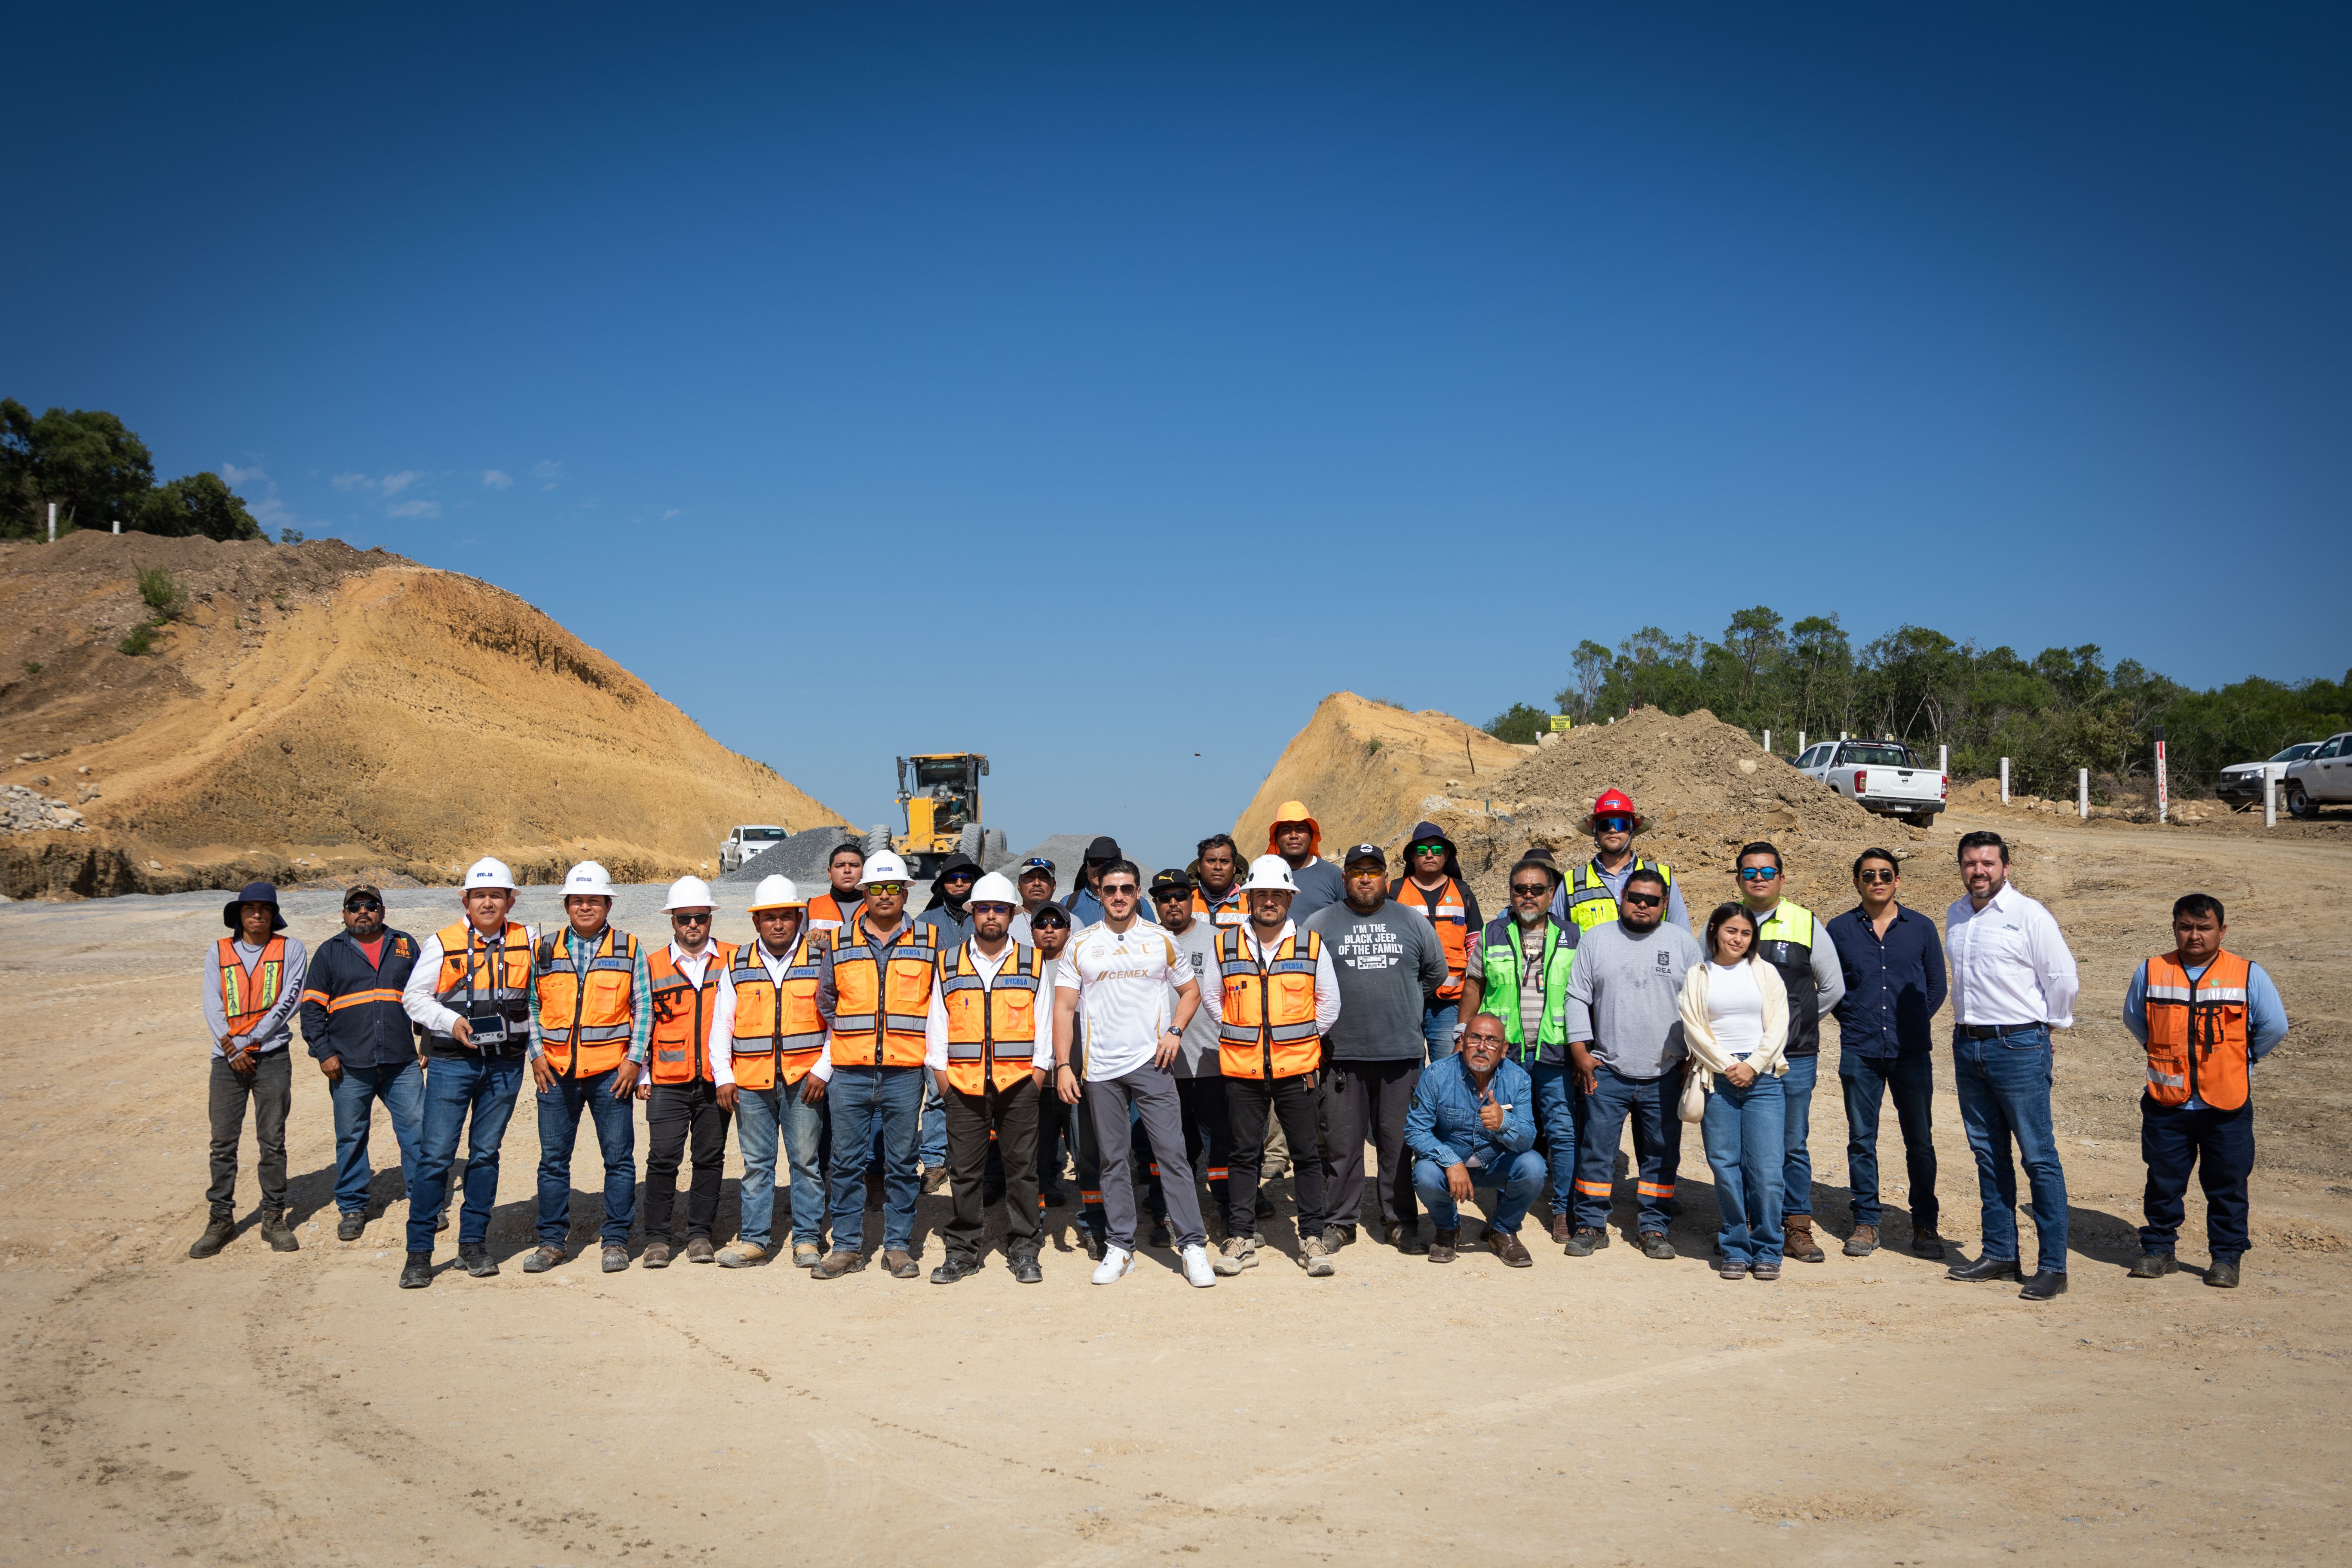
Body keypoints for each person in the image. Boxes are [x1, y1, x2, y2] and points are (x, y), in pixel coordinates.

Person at [1053, 861, 1217, 1288]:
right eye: (1111, 890)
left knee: (1173, 1155)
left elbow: (1190, 991)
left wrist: (1175, 1032)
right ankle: (1121, 1245)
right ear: (1100, 892)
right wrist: (1064, 1065)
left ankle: (1193, 1246)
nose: (1119, 897)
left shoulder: (1160, 939)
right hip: (1100, 1069)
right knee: (1112, 1160)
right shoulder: (1081, 943)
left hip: (1153, 1063)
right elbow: (1064, 1008)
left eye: (1127, 889)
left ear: (1138, 891)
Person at [2121, 893, 2288, 1289]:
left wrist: (2243, 1060)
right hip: (2167, 1102)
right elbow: (2135, 1021)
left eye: (2204, 927)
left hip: (2226, 1102)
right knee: (2163, 1181)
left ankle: (2226, 1258)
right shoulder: (2152, 970)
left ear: (2221, 931)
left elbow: (2274, 1027)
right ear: (2175, 928)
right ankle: (2159, 1250)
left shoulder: (2247, 973)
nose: (2194, 935)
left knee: (2228, 1183)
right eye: (2186, 926)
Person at [1944, 830, 2079, 1302]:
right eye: (1969, 863)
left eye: (1987, 863)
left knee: (2038, 1157)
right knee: (1988, 1155)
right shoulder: (1957, 915)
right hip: (1969, 1044)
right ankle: (2000, 1253)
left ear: (2005, 867)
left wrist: (2047, 1031)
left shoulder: (2029, 916)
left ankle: (2052, 1267)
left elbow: (2062, 978)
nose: (1978, 871)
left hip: (2018, 1044)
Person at [400, 857, 537, 1282]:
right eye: (480, 895)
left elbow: (544, 994)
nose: (488, 902)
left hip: (505, 1064)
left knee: (485, 1155)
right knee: (436, 1156)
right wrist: (450, 1022)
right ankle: (419, 1253)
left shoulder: (529, 940)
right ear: (466, 899)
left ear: (511, 900)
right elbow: (414, 998)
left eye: (497, 895)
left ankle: (472, 1245)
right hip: (451, 1064)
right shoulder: (442, 942)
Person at [1308, 843, 1449, 1252]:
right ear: (1345, 878)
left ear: (1387, 877)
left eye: (1373, 871)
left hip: (1400, 1054)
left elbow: (1434, 971)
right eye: (1357, 871)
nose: (1365, 878)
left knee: (1398, 1145)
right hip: (1340, 1056)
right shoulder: (1320, 924)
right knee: (1342, 1146)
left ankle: (1400, 1221)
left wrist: (1403, 999)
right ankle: (1341, 1221)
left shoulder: (1411, 920)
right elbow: (1305, 979)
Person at [1211, 854, 1343, 1277]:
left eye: (1277, 894)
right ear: (1248, 898)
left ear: (1290, 897)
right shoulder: (1225, 944)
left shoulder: (1311, 944)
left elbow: (1330, 1007)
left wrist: (1295, 1041)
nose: (1269, 901)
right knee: (1244, 1154)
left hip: (1297, 1068)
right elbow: (1216, 1002)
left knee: (1305, 1154)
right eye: (1261, 894)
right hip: (1242, 1068)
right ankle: (1242, 1238)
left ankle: (1312, 1237)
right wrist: (1246, 1033)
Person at [813, 850, 942, 1280]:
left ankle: (898, 1247)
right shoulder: (840, 941)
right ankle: (847, 1248)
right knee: (845, 1164)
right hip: (850, 1072)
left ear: (906, 892)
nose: (885, 896)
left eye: (893, 888)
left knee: (902, 1165)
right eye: (876, 889)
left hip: (905, 1073)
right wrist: (856, 1035)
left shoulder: (929, 941)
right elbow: (826, 999)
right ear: (864, 893)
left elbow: (938, 1004)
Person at [1564, 867, 1703, 1260]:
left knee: (1661, 1153)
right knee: (1597, 1150)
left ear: (1664, 905)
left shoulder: (1682, 944)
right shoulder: (1597, 940)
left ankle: (1654, 1227)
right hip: (1608, 1070)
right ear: (1622, 897)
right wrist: (1580, 1050)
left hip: (1666, 1072)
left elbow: (1699, 1003)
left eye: (1652, 900)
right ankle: (1591, 1224)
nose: (1642, 905)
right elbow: (1577, 997)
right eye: (1635, 897)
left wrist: (1695, 1053)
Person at [526, 861, 652, 1274]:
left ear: (607, 904)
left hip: (609, 1075)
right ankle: (551, 1242)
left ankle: (615, 1240)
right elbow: (530, 1005)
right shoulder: (544, 948)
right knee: (553, 1161)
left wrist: (634, 1062)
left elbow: (644, 1008)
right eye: (578, 901)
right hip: (556, 1072)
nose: (585, 907)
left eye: (593, 900)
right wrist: (537, 1054)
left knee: (618, 1160)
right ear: (567, 905)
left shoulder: (629, 948)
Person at [928, 872, 1052, 1284]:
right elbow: (938, 1025)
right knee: (965, 1172)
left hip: (1019, 1085)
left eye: (1000, 909)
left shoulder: (1033, 961)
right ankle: (963, 1251)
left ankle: (1024, 1247)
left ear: (1012, 915)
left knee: (1022, 1171)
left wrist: (1037, 1075)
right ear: (973, 914)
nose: (992, 917)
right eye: (985, 909)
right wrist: (942, 1079)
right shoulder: (948, 962)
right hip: (962, 1087)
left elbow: (1045, 1024)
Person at [1825, 848, 1949, 1259]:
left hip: (1911, 1050)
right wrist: (1855, 1019)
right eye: (1868, 875)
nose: (1877, 881)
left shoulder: (1922, 928)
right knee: (1862, 1139)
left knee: (1920, 1141)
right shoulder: (1839, 930)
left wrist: (1911, 1021)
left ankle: (1925, 1225)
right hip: (1860, 1050)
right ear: (1856, 882)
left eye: (1884, 874)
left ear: (1897, 881)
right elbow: (1830, 984)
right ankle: (1866, 1222)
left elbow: (1936, 987)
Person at [1731, 842, 1846, 1265]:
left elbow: (1832, 986)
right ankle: (1747, 1224)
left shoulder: (1804, 922)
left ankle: (1796, 1226)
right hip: (1742, 1056)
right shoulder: (1730, 922)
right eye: (1749, 872)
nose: (1758, 878)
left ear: (1781, 876)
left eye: (1767, 871)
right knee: (1747, 1143)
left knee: (1791, 1144)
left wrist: (1791, 1024)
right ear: (1739, 879)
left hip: (1794, 1055)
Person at [1459, 857, 1580, 1242]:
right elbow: (1475, 985)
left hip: (1556, 1052)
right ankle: (1504, 1208)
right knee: (1499, 1129)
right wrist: (1463, 1032)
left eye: (1537, 890)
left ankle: (1563, 1210)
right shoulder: (1493, 933)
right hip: (1504, 1055)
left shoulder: (1574, 937)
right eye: (1520, 890)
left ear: (1552, 894)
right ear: (1511, 893)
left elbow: (1587, 994)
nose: (1528, 896)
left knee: (1561, 1132)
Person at [711, 875, 829, 1269]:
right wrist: (724, 1076)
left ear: (799, 918)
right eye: (768, 918)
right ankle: (755, 1241)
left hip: (803, 1081)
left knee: (805, 1163)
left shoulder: (819, 960)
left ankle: (808, 1240)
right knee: (757, 1165)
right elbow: (722, 1025)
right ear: (755, 923)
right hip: (751, 1082)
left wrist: (823, 1070)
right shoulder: (737, 963)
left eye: (785, 916)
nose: (777, 924)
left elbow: (835, 1021)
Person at [298, 885, 422, 1247]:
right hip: (349, 1063)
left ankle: (424, 1199)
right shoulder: (329, 953)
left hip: (401, 1061)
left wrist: (426, 1040)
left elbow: (424, 994)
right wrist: (323, 1052)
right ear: (344, 913)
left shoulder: (404, 944)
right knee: (351, 1136)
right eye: (355, 907)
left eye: (371, 906)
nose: (363, 912)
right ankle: (353, 1207)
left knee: (417, 1131)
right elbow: (311, 1010)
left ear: (383, 911)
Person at [191, 881, 309, 1259]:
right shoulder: (219, 951)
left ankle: (274, 1216)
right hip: (226, 1060)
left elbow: (289, 1001)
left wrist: (249, 1042)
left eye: (264, 908)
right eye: (249, 908)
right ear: (238, 915)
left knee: (271, 1140)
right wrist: (231, 1047)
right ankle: (221, 1217)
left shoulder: (292, 950)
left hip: (272, 1056)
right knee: (222, 1143)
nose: (257, 914)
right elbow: (213, 1003)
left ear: (274, 915)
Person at [1678, 904, 1791, 1280]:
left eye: (1745, 933)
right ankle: (1735, 1247)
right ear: (1714, 931)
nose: (1737, 939)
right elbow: (1693, 1027)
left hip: (1763, 1079)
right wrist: (1728, 1065)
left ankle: (1769, 1248)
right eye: (1730, 931)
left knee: (1767, 1169)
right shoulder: (1698, 975)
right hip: (1717, 1079)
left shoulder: (1766, 973)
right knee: (1725, 1168)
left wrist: (1753, 1065)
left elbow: (1779, 1025)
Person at [635, 876, 735, 1268]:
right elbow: (640, 1021)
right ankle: (657, 1239)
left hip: (715, 1082)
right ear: (672, 921)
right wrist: (643, 1073)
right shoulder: (653, 965)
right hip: (666, 1082)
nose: (693, 925)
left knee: (710, 1159)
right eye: (684, 919)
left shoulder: (733, 958)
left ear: (710, 918)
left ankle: (699, 1235)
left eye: (700, 917)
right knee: (662, 1158)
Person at [1404, 1011, 1542, 1265]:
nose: (1482, 1047)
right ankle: (1448, 1230)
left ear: (1503, 1049)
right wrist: (1451, 1162)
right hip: (1449, 1167)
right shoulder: (1437, 1075)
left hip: (1496, 1164)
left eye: (1491, 1041)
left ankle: (1502, 1231)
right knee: (1424, 1173)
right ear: (1462, 1040)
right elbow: (1415, 1129)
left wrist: (1504, 1123)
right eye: (1474, 1038)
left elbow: (1527, 1141)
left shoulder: (1519, 1079)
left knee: (1534, 1166)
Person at [1155, 868, 1235, 1237]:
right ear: (1155, 903)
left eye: (1181, 896)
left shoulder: (1218, 940)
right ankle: (1168, 1213)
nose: (1173, 903)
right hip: (1161, 1066)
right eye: (1165, 898)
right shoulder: (1147, 941)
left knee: (1220, 1143)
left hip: (1210, 1058)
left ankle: (1229, 1209)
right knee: (1172, 1148)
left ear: (1192, 899)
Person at [1389, 821, 1482, 1060]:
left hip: (1449, 1005)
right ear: (1412, 856)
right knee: (1406, 1072)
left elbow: (1475, 947)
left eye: (1437, 850)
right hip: (1404, 1001)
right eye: (1422, 850)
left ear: (1447, 854)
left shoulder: (1463, 892)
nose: (1429, 855)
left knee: (1448, 1068)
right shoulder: (1394, 891)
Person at [1553, 789, 1690, 932]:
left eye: (1620, 824)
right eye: (1605, 825)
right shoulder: (1571, 883)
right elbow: (1556, 937)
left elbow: (1682, 936)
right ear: (1596, 832)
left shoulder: (1663, 878)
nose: (1613, 830)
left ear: (1632, 830)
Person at [1027, 901, 1078, 1210]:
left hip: (1076, 1075)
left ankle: (1094, 1222)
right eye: (1042, 923)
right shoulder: (1022, 966)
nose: (1049, 928)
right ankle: (1039, 1211)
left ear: (1068, 931)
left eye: (1056, 923)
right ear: (1032, 931)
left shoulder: (1079, 966)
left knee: (1087, 1152)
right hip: (1037, 1077)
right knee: (1037, 1150)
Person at [1265, 800, 1347, 921]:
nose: (1294, 835)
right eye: (1286, 830)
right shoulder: (1263, 874)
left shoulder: (1333, 875)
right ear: (1276, 838)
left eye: (1300, 829)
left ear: (1311, 835)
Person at [1061, 836, 1125, 926]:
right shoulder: (1068, 904)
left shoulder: (1139, 904)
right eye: (1094, 863)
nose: (1100, 869)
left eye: (1107, 863)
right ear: (1086, 869)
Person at [806, 842, 866, 938]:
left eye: (854, 865)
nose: (847, 870)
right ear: (829, 873)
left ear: (864, 872)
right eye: (840, 866)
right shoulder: (809, 908)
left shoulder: (876, 907)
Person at [1191, 834, 1248, 928]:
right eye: (1211, 861)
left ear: (1234, 868)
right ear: (1199, 867)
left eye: (1225, 861)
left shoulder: (1250, 902)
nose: (1218, 867)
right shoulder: (1186, 901)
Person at [1010, 855, 1058, 943]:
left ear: (1054, 886)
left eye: (1044, 878)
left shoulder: (1070, 922)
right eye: (1030, 878)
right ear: (1019, 885)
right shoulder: (1006, 921)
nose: (1037, 883)